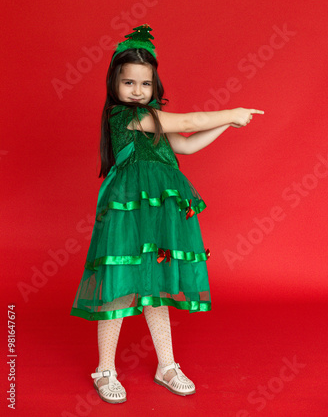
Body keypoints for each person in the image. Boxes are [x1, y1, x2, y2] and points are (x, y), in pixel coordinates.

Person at [70, 24, 264, 404]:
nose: (137, 91)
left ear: (154, 86)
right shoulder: (123, 117)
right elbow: (189, 122)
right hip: (129, 211)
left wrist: (228, 123)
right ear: (114, 84)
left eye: (145, 84)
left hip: (158, 210)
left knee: (155, 284)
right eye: (129, 83)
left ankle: (166, 364)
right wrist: (232, 110)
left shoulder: (154, 116)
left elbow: (187, 145)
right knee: (118, 284)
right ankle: (105, 368)